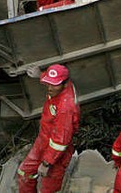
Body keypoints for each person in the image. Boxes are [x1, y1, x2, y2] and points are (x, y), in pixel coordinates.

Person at [17, 64, 80, 193]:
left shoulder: (65, 108)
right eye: (48, 83)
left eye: (54, 85)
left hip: (57, 154)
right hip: (44, 139)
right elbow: (53, 79)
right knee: (24, 173)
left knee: (48, 188)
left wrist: (46, 164)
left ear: (64, 83)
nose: (50, 88)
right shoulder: (63, 86)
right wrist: (40, 75)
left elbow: (60, 141)